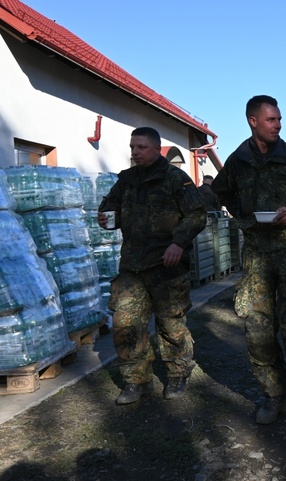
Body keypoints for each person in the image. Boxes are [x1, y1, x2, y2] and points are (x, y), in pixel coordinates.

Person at [211, 95, 286, 424]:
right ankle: (273, 395)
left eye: (278, 119)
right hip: (256, 254)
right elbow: (220, 190)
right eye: (271, 120)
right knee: (257, 330)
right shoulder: (238, 160)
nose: (278, 124)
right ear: (253, 121)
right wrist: (244, 216)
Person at [98, 127, 207, 405]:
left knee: (171, 325)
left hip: (167, 266)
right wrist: (106, 218)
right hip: (132, 267)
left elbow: (196, 215)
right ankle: (136, 380)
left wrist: (178, 243)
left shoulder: (175, 178)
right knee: (125, 324)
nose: (135, 152)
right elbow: (111, 209)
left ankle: (178, 374)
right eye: (133, 147)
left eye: (142, 147)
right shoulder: (126, 180)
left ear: (156, 149)